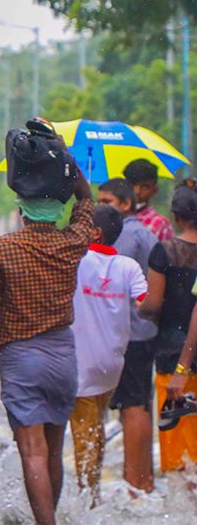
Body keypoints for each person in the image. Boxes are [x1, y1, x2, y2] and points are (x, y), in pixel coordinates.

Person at [0, 155, 95, 525]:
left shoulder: (1, 249)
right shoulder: (72, 241)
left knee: (32, 452)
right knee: (53, 451)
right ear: (56, 210)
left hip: (21, 356)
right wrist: (64, 157)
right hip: (62, 357)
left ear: (21, 210)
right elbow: (88, 203)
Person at [68, 204, 147, 505]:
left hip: (82, 365)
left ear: (95, 232)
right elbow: (144, 303)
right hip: (112, 365)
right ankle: (93, 490)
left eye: (81, 225)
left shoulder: (76, 260)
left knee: (84, 435)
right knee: (95, 426)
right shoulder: (128, 267)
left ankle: (88, 499)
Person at [97, 176, 159, 493]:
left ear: (125, 204)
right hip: (146, 332)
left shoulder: (123, 236)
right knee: (141, 405)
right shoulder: (147, 234)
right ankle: (143, 480)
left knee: (132, 407)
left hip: (128, 334)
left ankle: (132, 483)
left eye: (106, 203)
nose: (100, 208)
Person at [138, 182, 197, 474]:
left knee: (180, 451)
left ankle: (185, 514)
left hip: (174, 359)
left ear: (176, 216)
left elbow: (152, 304)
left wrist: (142, 309)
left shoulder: (164, 252)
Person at [124, 158, 174, 242]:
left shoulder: (160, 223)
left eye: (144, 187)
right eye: (132, 185)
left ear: (154, 190)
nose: (137, 191)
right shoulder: (117, 218)